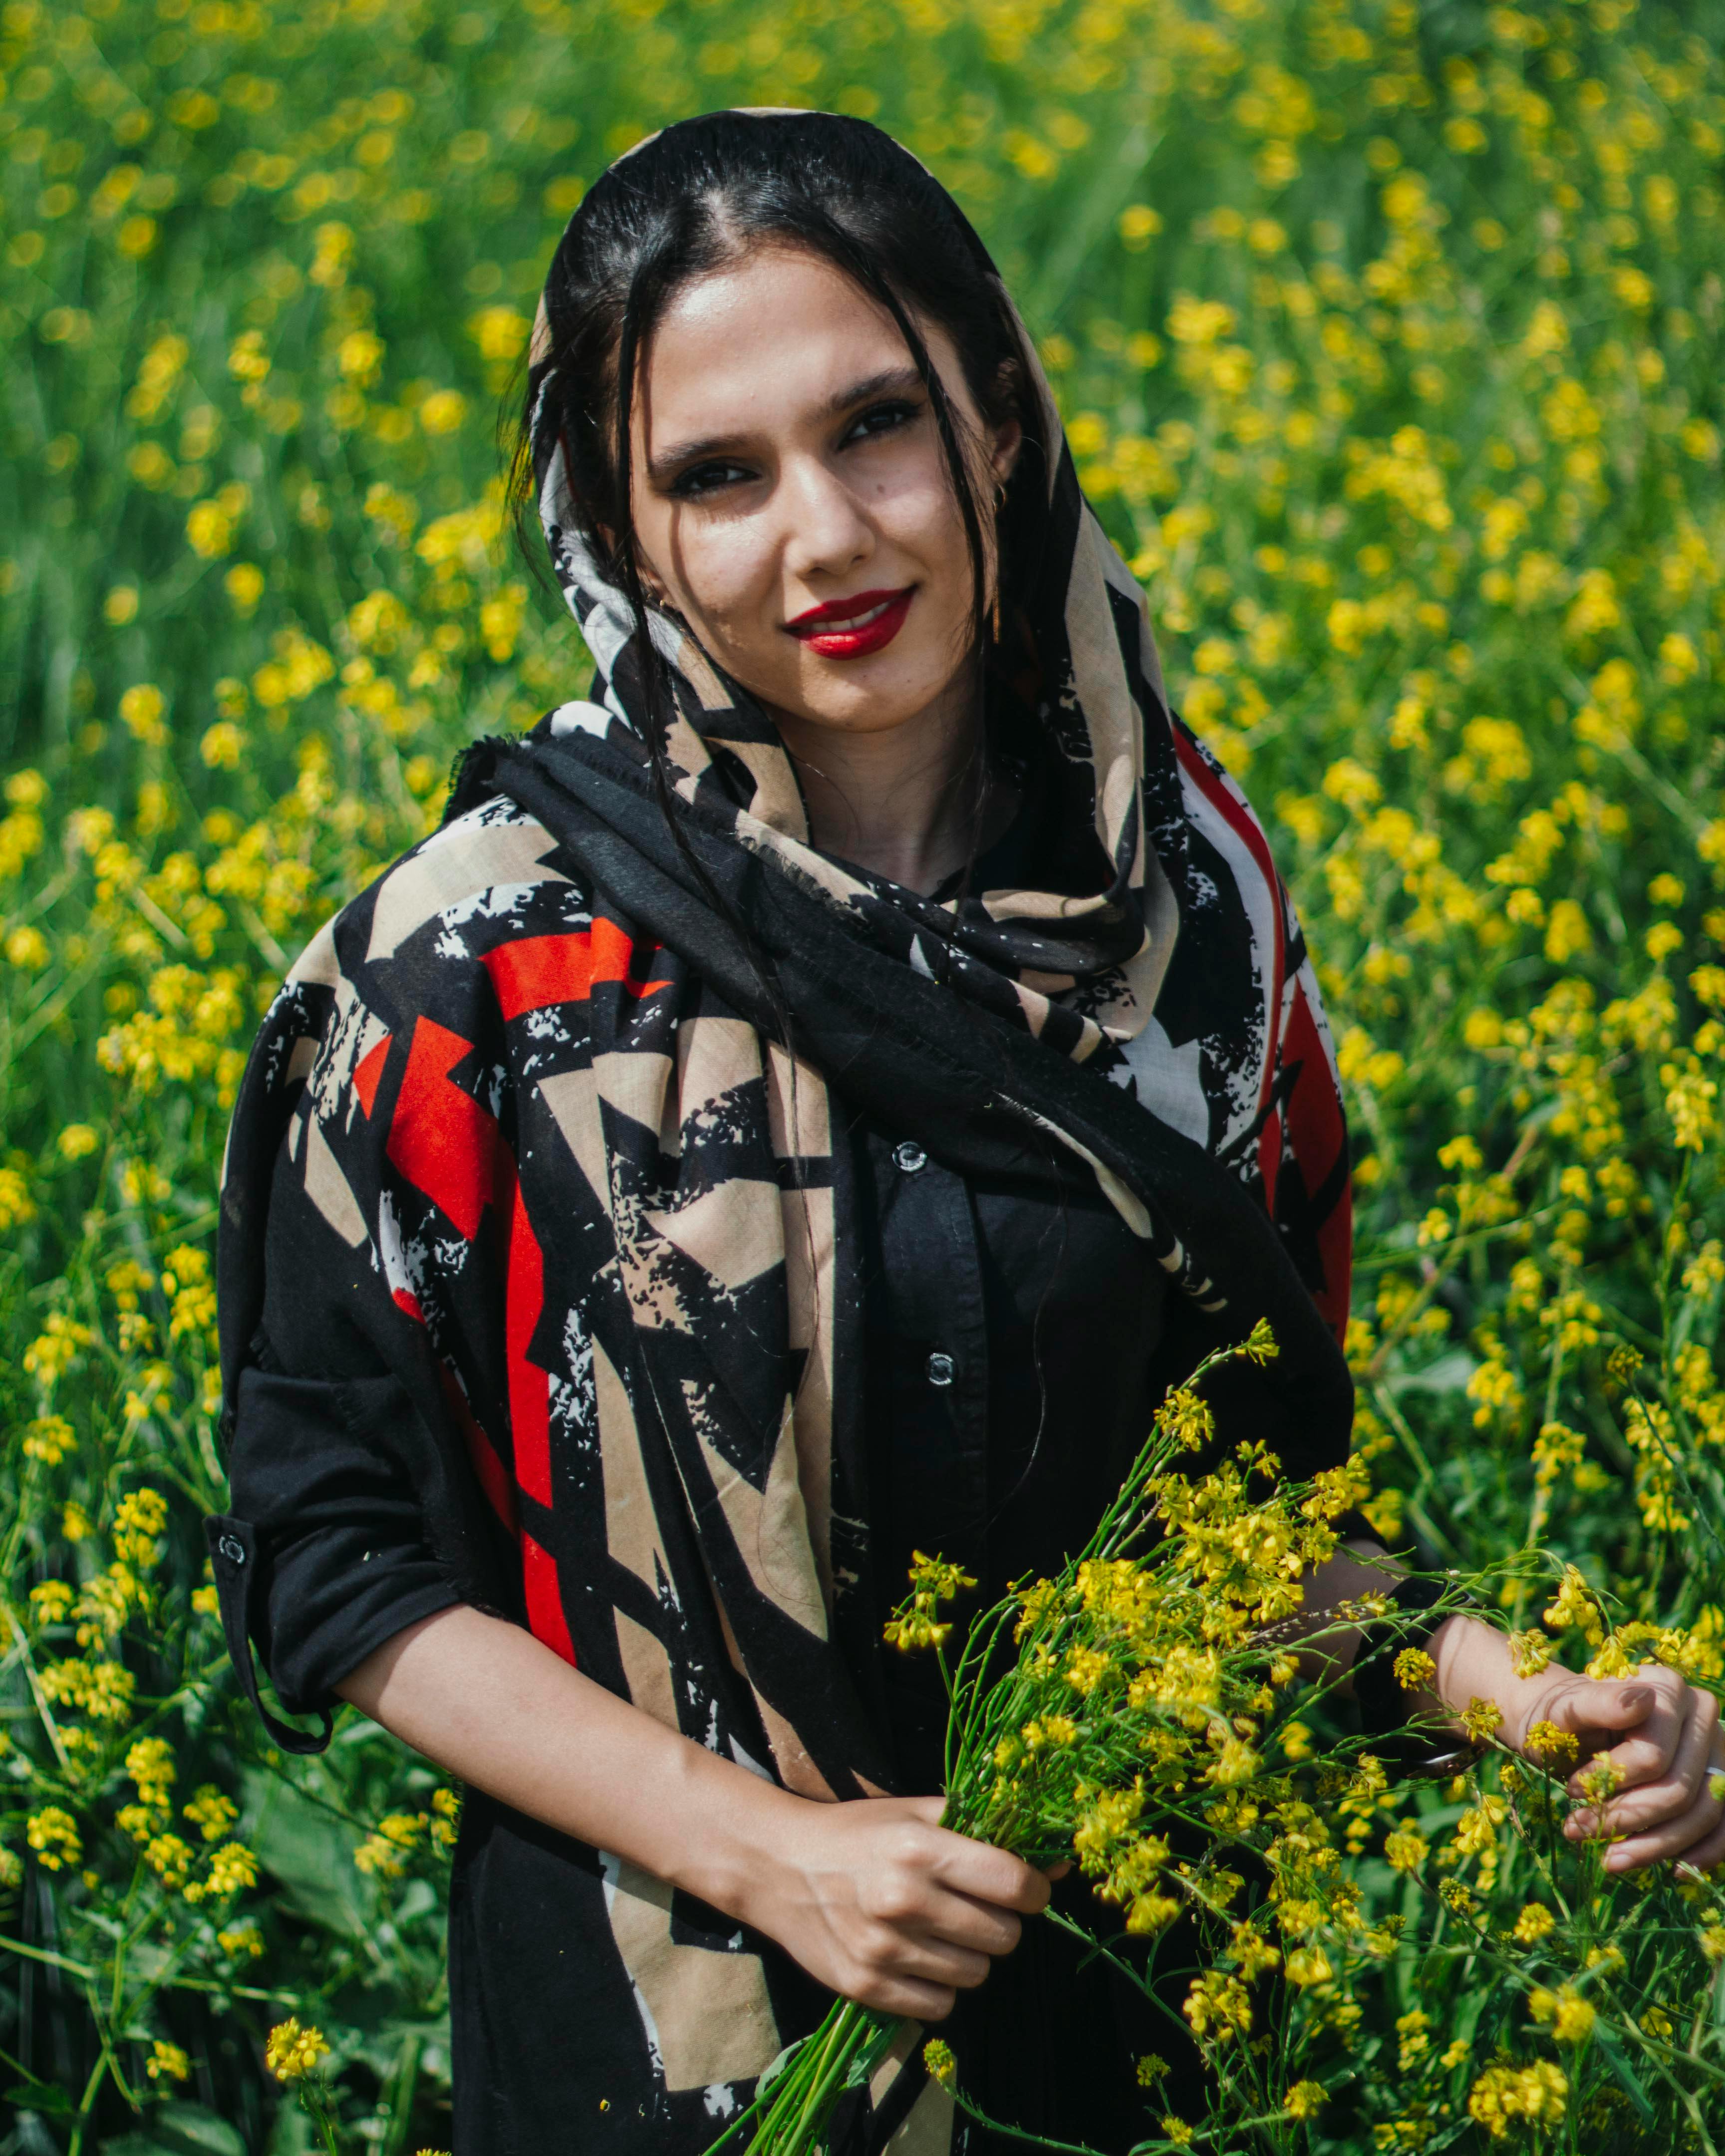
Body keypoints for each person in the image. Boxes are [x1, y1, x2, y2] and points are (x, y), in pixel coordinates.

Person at [210, 109, 1725, 2156]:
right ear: (616, 527)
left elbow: (1240, 1524)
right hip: (664, 2063)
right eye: (718, 479)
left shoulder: (1192, 918)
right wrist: (768, 1852)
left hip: (1128, 2037)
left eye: (878, 427)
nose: (826, 539)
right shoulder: (465, 973)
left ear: (1001, 419)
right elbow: (337, 1562)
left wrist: (1527, 1706)